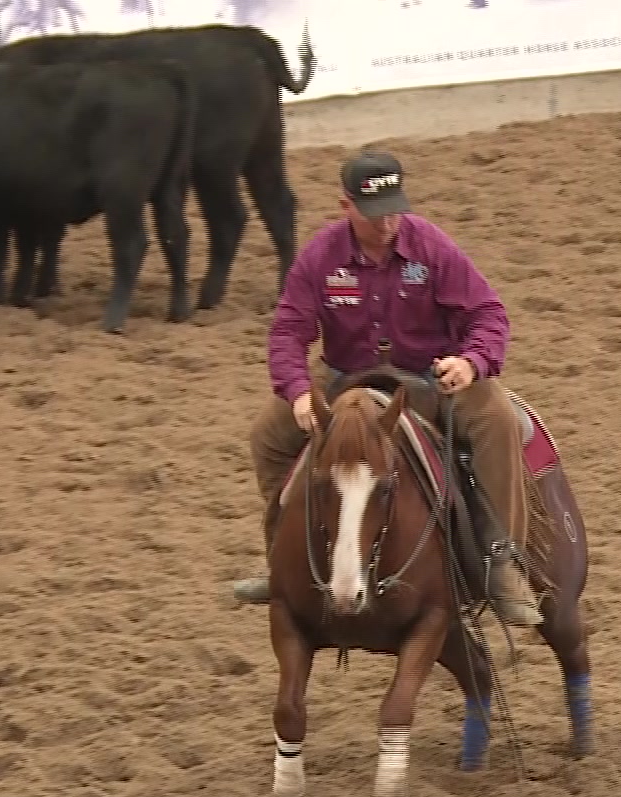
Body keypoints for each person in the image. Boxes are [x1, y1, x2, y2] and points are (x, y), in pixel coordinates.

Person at [229, 148, 544, 627]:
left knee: (498, 421)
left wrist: (471, 361)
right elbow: (288, 330)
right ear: (346, 206)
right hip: (344, 376)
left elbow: (487, 314)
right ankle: (282, 555)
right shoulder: (320, 256)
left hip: (431, 372)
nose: (388, 222)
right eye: (375, 213)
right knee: (268, 436)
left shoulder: (432, 246)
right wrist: (296, 390)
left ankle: (503, 558)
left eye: (396, 208)